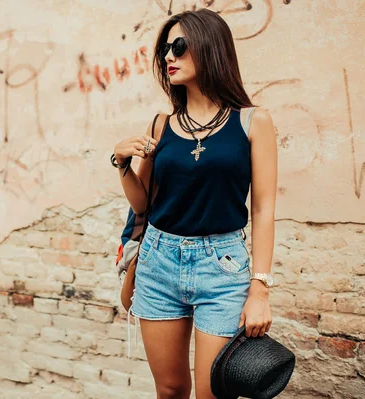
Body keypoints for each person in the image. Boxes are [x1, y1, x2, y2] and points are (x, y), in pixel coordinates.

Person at [112, 9, 277, 399]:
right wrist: (122, 163)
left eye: (180, 46)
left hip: (221, 267)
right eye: (166, 49)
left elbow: (264, 210)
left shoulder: (253, 122)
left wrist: (260, 290)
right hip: (158, 261)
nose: (169, 56)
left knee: (212, 393)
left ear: (210, 48)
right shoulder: (161, 124)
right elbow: (143, 203)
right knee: (169, 389)